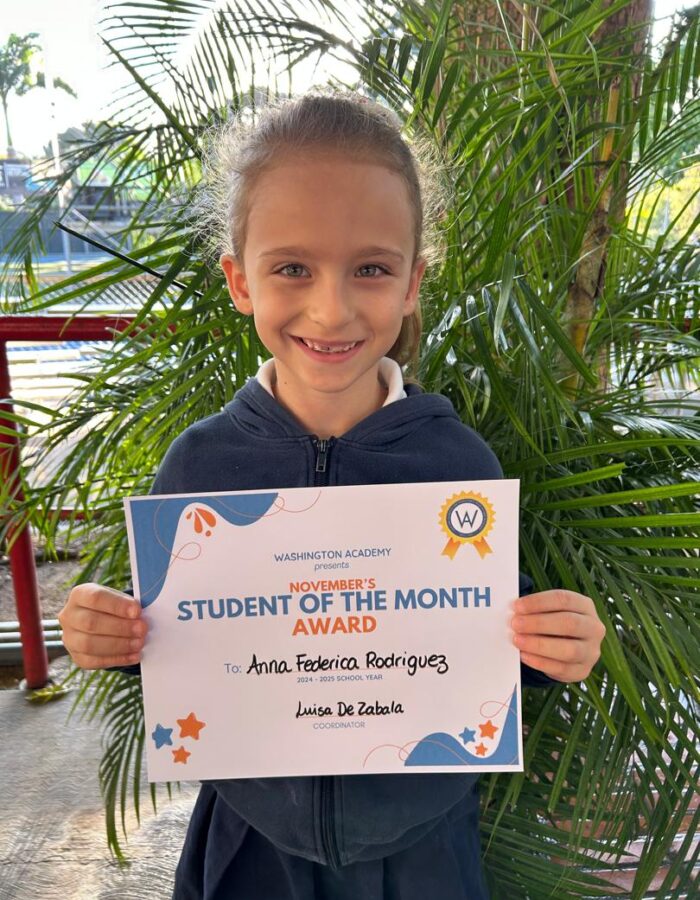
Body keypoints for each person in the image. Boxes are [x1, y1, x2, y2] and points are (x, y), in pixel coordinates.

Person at [58, 92, 606, 900]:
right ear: (239, 281)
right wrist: (109, 633)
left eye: (371, 269)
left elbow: (489, 639)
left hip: (421, 849)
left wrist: (555, 646)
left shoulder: (457, 462)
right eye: (292, 269)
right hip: (250, 843)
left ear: (413, 281)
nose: (332, 308)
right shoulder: (199, 466)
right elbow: (174, 648)